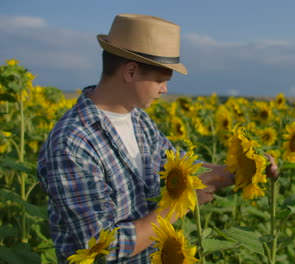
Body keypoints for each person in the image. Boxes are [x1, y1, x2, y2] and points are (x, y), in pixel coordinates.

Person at [37, 14, 278, 263]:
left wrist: (247, 168)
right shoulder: (72, 143)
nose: (165, 90)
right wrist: (180, 204)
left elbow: (181, 167)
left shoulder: (139, 121)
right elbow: (103, 247)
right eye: (161, 80)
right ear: (130, 71)